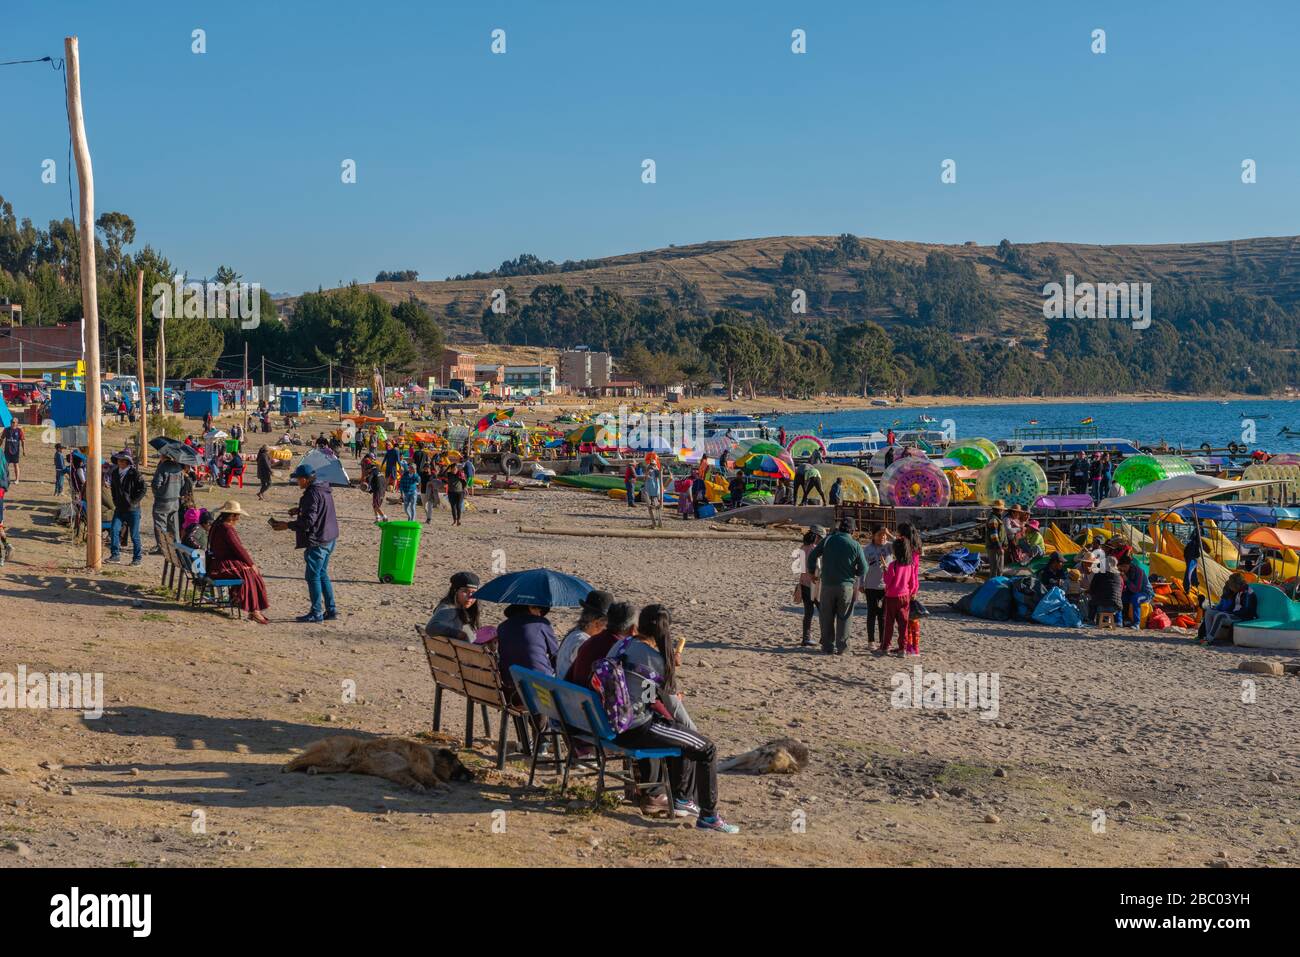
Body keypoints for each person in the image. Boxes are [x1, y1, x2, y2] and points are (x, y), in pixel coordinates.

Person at [608, 604, 739, 833]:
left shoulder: (622, 644)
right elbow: (667, 705)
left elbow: (645, 692)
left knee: (683, 736)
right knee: (706, 748)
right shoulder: (655, 659)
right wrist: (693, 730)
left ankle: (683, 800)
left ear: (639, 625)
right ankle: (707, 816)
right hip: (635, 728)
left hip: (611, 722)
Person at [269, 462, 340, 623]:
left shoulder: (311, 494)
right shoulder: (323, 488)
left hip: (319, 540)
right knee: (322, 574)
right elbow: (318, 510)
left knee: (313, 576)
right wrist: (300, 509)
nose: (297, 482)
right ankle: (331, 609)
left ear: (306, 479)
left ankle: (316, 612)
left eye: (299, 479)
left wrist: (287, 525)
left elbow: (309, 522)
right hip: (330, 537)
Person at [806, 517, 867, 654]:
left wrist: (811, 572)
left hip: (827, 585)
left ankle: (827, 646)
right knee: (844, 617)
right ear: (852, 530)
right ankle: (842, 647)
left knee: (826, 616)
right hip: (846, 586)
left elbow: (812, 556)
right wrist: (854, 572)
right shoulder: (855, 545)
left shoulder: (828, 540)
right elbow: (864, 568)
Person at [207, 501, 271, 624]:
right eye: (237, 515)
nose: (238, 518)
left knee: (248, 572)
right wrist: (251, 564)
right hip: (222, 565)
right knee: (250, 573)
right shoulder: (227, 529)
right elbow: (239, 549)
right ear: (231, 516)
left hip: (216, 562)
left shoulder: (217, 525)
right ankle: (254, 610)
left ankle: (250, 606)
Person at [496, 603, 559, 703]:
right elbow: (556, 655)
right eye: (540, 610)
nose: (540, 614)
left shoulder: (502, 627)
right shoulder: (542, 623)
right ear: (531, 607)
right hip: (539, 691)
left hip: (511, 691)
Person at [567, 601, 637, 684]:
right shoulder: (621, 650)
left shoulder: (590, 641)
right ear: (633, 629)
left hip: (574, 693)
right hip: (591, 696)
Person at [555, 589, 613, 680]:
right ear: (597, 623)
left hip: (562, 688)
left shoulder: (574, 633)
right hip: (570, 692)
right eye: (606, 626)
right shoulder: (583, 641)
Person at [879, 536, 919, 656]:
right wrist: (912, 593)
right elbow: (912, 582)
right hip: (905, 597)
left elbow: (888, 581)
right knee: (903, 624)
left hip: (891, 597)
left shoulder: (893, 565)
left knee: (889, 623)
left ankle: (886, 646)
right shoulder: (910, 565)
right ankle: (902, 648)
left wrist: (885, 570)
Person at [106, 450, 146, 565]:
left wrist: (134, 502)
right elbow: (113, 489)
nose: (119, 461)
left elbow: (143, 489)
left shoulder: (135, 474)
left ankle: (137, 558)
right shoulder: (114, 473)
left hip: (133, 510)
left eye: (121, 460)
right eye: (118, 459)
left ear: (127, 462)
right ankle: (115, 555)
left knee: (134, 535)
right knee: (114, 530)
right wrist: (115, 500)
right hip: (119, 509)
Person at [1198, 573, 1257, 644]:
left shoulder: (1248, 593)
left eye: (1231, 585)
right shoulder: (1238, 592)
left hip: (1243, 617)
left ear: (1236, 584)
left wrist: (1230, 613)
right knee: (1209, 611)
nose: (1231, 588)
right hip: (1234, 614)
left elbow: (1247, 611)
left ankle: (1209, 639)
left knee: (1220, 616)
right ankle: (1207, 635)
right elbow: (1232, 605)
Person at [861, 524, 893, 648]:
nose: (882, 537)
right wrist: (861, 583)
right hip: (871, 586)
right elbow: (863, 568)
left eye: (884, 535)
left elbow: (903, 547)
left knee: (883, 615)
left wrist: (890, 534)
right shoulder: (867, 549)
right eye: (880, 535)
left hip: (886, 586)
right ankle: (871, 641)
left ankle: (882, 641)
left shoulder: (890, 547)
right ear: (873, 536)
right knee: (871, 613)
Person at [425, 571, 480, 642]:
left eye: (474, 592)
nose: (470, 596)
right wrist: (458, 633)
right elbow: (431, 628)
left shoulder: (459, 608)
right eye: (465, 591)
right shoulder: (449, 610)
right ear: (455, 591)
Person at [150, 451, 186, 555]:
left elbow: (156, 484)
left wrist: (158, 494)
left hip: (162, 501)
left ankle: (162, 547)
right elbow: (183, 483)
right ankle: (176, 546)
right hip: (175, 501)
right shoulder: (178, 467)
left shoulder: (162, 467)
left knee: (160, 525)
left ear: (162, 456)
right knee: (174, 526)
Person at [795, 528, 823, 647]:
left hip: (804, 582)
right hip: (815, 584)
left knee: (808, 612)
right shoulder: (815, 549)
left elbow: (801, 568)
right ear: (817, 537)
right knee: (823, 611)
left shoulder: (802, 548)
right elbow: (818, 568)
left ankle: (806, 637)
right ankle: (824, 636)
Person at [1087, 555, 1124, 625]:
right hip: (1116, 607)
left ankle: (1090, 621)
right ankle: (1116, 621)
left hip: (1102, 606)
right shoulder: (1119, 576)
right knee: (1105, 600)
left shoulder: (1099, 574)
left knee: (1092, 602)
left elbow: (1092, 589)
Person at [1117, 557, 1151, 629]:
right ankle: (1119, 621)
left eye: (1125, 567)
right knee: (1118, 598)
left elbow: (1137, 589)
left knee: (1135, 598)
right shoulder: (1123, 571)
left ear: (1129, 565)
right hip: (1131, 592)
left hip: (1145, 593)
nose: (1123, 569)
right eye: (1121, 567)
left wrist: (1126, 580)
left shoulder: (1139, 572)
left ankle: (1136, 623)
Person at [983, 500, 1007, 578]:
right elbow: (994, 535)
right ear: (999, 510)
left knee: (998, 569)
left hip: (996, 547)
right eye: (1002, 509)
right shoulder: (994, 520)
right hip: (994, 548)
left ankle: (995, 585)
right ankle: (993, 586)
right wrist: (999, 547)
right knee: (996, 569)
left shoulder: (996, 519)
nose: (1003, 511)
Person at [367, 458, 389, 523]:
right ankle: (377, 518)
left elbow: (370, 479)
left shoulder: (373, 472)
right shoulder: (380, 473)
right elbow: (380, 483)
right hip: (382, 491)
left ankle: (384, 517)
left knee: (376, 505)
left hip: (378, 491)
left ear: (370, 469)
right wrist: (371, 490)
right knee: (375, 505)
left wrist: (368, 485)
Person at [643, 464, 664, 528]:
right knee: (651, 503)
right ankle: (655, 523)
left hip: (654, 490)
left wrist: (658, 469)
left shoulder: (655, 471)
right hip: (650, 490)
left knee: (656, 503)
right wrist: (647, 475)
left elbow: (659, 473)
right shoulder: (648, 472)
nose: (651, 468)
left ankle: (658, 522)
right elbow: (645, 479)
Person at [1182, 530, 1202, 596]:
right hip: (1192, 560)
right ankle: (1188, 588)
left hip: (1190, 559)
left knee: (1190, 574)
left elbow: (1185, 552)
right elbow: (1197, 554)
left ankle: (1191, 587)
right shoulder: (1195, 543)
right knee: (1190, 574)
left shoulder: (1191, 543)